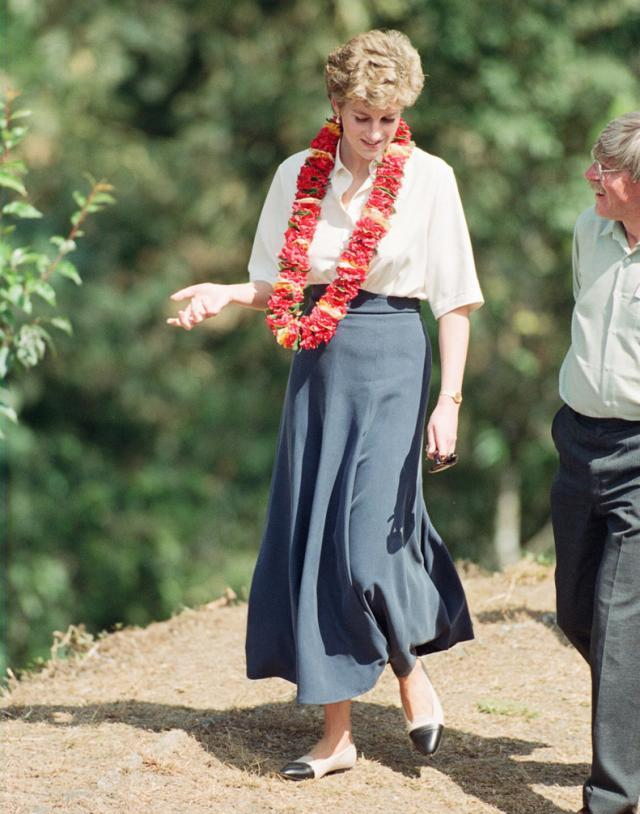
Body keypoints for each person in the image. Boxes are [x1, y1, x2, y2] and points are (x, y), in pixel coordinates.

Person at [168, 29, 483, 780]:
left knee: (367, 542)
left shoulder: (431, 178)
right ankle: (336, 736)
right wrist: (221, 293)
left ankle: (410, 670)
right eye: (363, 117)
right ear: (336, 107)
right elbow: (273, 285)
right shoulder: (293, 176)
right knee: (317, 537)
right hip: (317, 362)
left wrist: (452, 401)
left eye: (389, 118)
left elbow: (457, 299)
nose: (377, 134)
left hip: (394, 358)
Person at [551, 112, 640, 814]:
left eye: (605, 170)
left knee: (618, 624)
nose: (592, 177)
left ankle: (611, 797)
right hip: (579, 441)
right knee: (578, 613)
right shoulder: (589, 230)